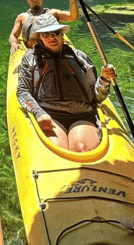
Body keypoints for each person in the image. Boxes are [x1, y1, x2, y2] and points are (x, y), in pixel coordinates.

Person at [16, 12, 117, 153]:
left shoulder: (79, 57)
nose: (51, 38)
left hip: (82, 114)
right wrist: (38, 113)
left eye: (55, 33)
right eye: (46, 35)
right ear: (40, 37)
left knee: (82, 148)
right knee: (58, 149)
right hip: (49, 115)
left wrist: (105, 80)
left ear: (62, 34)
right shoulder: (30, 58)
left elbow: (97, 97)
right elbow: (22, 92)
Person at [9, 0, 78, 53]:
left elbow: (73, 17)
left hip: (56, 48)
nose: (35, 0)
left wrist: (72, 0)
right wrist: (13, 43)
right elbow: (13, 35)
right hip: (33, 51)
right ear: (27, 0)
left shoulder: (53, 13)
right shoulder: (22, 17)